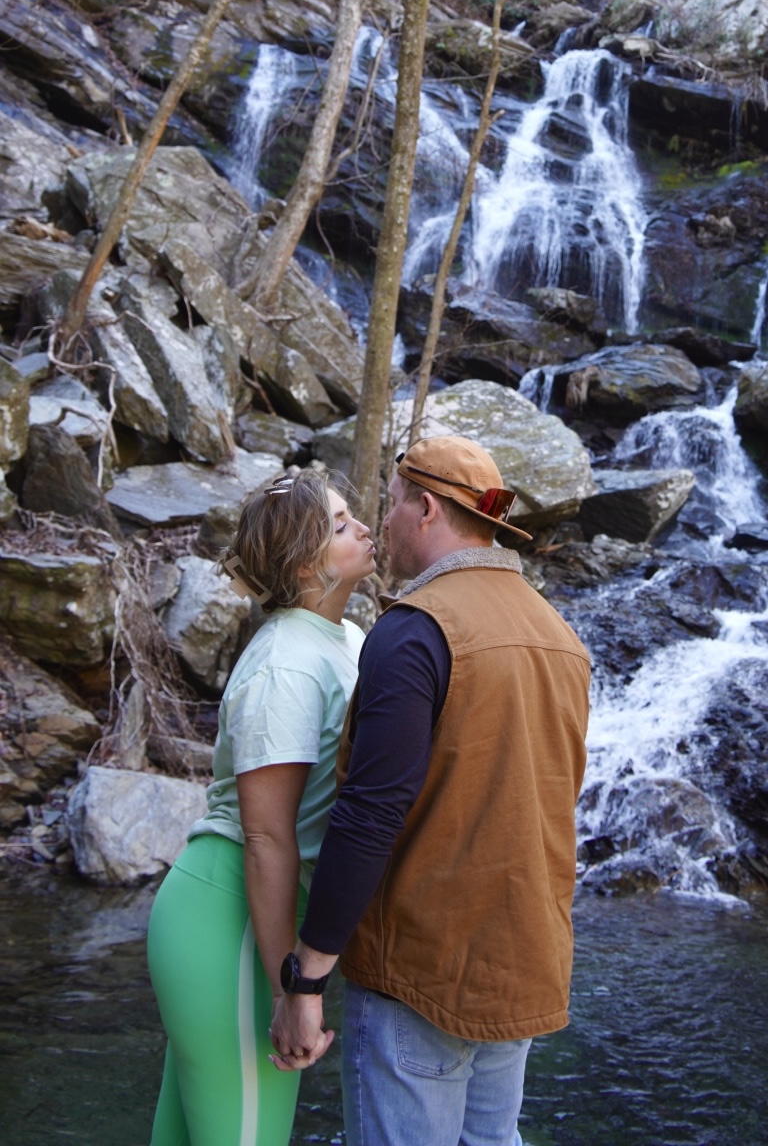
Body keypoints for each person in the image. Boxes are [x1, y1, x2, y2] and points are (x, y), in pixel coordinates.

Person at [270, 434, 591, 1146]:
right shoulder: (561, 638)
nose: (381, 524)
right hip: (525, 967)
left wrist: (307, 977)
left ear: (424, 508)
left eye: (387, 505)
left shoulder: (415, 631)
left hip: (424, 971)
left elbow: (368, 815)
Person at [146, 466, 376, 1146]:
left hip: (236, 924)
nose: (361, 527)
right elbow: (268, 837)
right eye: (339, 525)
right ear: (305, 563)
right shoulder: (285, 664)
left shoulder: (346, 639)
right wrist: (291, 990)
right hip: (232, 929)